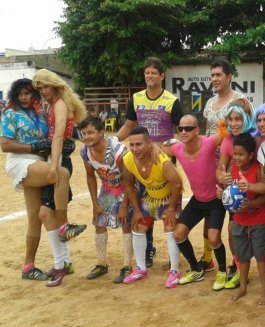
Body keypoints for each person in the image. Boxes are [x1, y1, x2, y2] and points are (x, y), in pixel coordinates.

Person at [117, 56, 184, 268]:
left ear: (162, 76)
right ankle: (147, 252)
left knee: (168, 208)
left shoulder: (172, 101)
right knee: (141, 206)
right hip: (139, 161)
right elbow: (129, 126)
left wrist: (163, 148)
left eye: (154, 73)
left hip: (163, 161)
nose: (150, 76)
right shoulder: (136, 98)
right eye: (147, 73)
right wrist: (111, 141)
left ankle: (174, 256)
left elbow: (180, 133)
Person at [32, 69, 88, 286]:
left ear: (54, 84)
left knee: (46, 214)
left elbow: (57, 138)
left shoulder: (60, 105)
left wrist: (53, 166)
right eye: (40, 88)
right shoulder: (56, 104)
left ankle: (60, 265)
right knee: (49, 214)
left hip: (59, 160)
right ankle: (64, 262)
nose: (43, 91)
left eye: (45, 86)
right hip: (57, 159)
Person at [200, 58, 253, 281]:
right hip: (212, 162)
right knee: (208, 207)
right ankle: (207, 257)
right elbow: (207, 131)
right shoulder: (210, 102)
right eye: (212, 75)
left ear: (229, 77)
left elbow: (247, 132)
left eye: (218, 75)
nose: (214, 79)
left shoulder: (241, 100)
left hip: (234, 162)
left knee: (235, 212)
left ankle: (236, 262)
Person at [162, 114, 228, 290]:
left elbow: (227, 132)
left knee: (214, 238)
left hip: (216, 199)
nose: (183, 131)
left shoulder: (209, 143)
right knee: (178, 234)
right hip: (197, 200)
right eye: (180, 128)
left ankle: (222, 272)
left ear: (197, 130)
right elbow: (158, 148)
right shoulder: (176, 149)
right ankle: (195, 269)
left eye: (188, 128)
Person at [0, 78, 51, 281]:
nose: (23, 97)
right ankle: (62, 224)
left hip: (36, 162)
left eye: (28, 93)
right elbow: (4, 144)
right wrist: (33, 147)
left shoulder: (39, 114)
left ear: (34, 94)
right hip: (21, 162)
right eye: (20, 93)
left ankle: (28, 266)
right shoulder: (10, 114)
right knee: (58, 174)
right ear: (15, 95)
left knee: (34, 219)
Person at [121, 126, 183, 287]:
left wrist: (171, 209)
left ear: (149, 144)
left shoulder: (162, 160)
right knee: (138, 227)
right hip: (151, 196)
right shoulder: (128, 159)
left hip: (170, 197)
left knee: (170, 230)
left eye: (139, 144)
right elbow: (128, 184)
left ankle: (174, 271)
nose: (135, 149)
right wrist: (135, 210)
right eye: (132, 145)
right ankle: (141, 268)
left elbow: (177, 184)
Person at [216, 133, 265, 303]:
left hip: (258, 219)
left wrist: (251, 197)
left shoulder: (258, 168)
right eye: (235, 154)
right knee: (242, 255)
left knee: (261, 255)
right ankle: (243, 287)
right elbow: (232, 192)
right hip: (239, 219)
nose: (236, 157)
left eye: (241, 154)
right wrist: (222, 195)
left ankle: (264, 289)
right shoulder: (233, 169)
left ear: (251, 155)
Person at [78, 116, 134, 283]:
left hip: (126, 189)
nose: (86, 136)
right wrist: (95, 204)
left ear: (101, 132)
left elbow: (128, 180)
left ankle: (126, 266)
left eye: (90, 132)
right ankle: (102, 263)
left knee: (126, 223)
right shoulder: (86, 152)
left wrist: (125, 204)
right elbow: (90, 177)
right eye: (83, 133)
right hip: (108, 189)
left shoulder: (118, 151)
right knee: (99, 222)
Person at [216, 98, 258, 289]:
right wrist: (222, 177)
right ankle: (238, 267)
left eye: (238, 119)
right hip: (237, 192)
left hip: (258, 191)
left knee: (264, 234)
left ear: (247, 119)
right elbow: (220, 169)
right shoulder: (227, 141)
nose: (233, 123)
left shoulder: (257, 138)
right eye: (230, 119)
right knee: (233, 230)